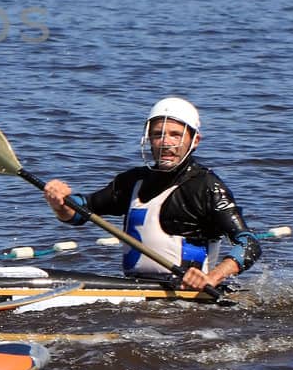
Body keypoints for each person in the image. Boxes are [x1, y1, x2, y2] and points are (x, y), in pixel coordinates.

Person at [41, 97, 260, 292]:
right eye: (158, 135)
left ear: (195, 141)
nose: (166, 142)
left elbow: (249, 243)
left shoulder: (207, 187)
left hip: (188, 293)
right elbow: (81, 212)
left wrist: (212, 277)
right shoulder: (132, 181)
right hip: (138, 286)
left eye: (175, 135)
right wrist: (60, 203)